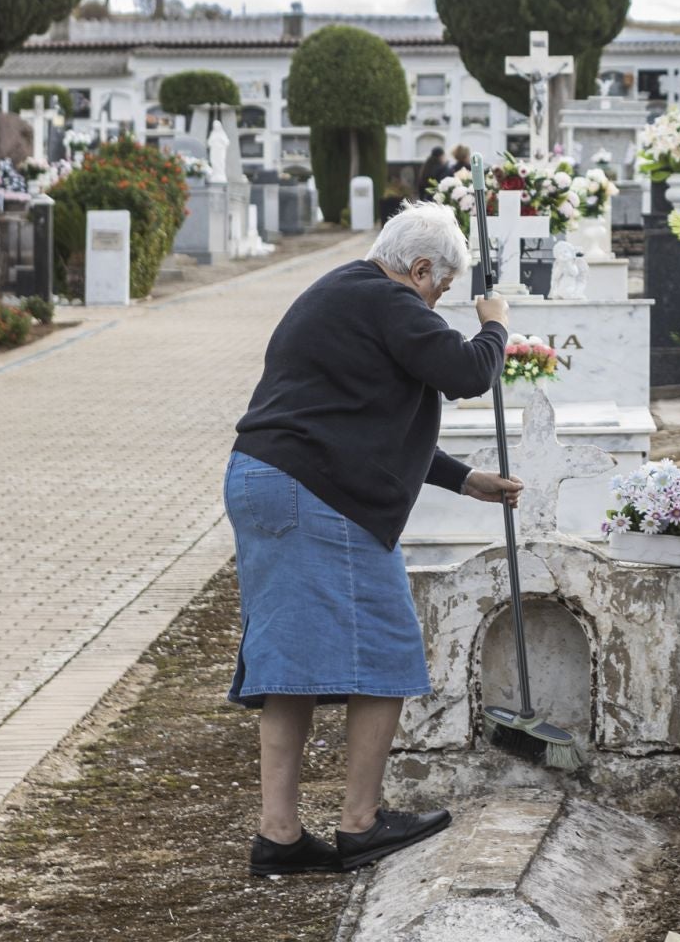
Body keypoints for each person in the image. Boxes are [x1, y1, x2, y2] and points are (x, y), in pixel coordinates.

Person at [226, 202, 522, 876]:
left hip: (261, 477)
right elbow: (470, 371)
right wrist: (496, 322)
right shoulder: (390, 301)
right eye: (439, 288)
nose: (436, 302)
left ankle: (279, 838)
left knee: (287, 666)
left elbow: (358, 417)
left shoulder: (335, 292)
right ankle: (360, 822)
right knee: (386, 647)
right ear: (419, 269)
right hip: (315, 492)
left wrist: (463, 478)